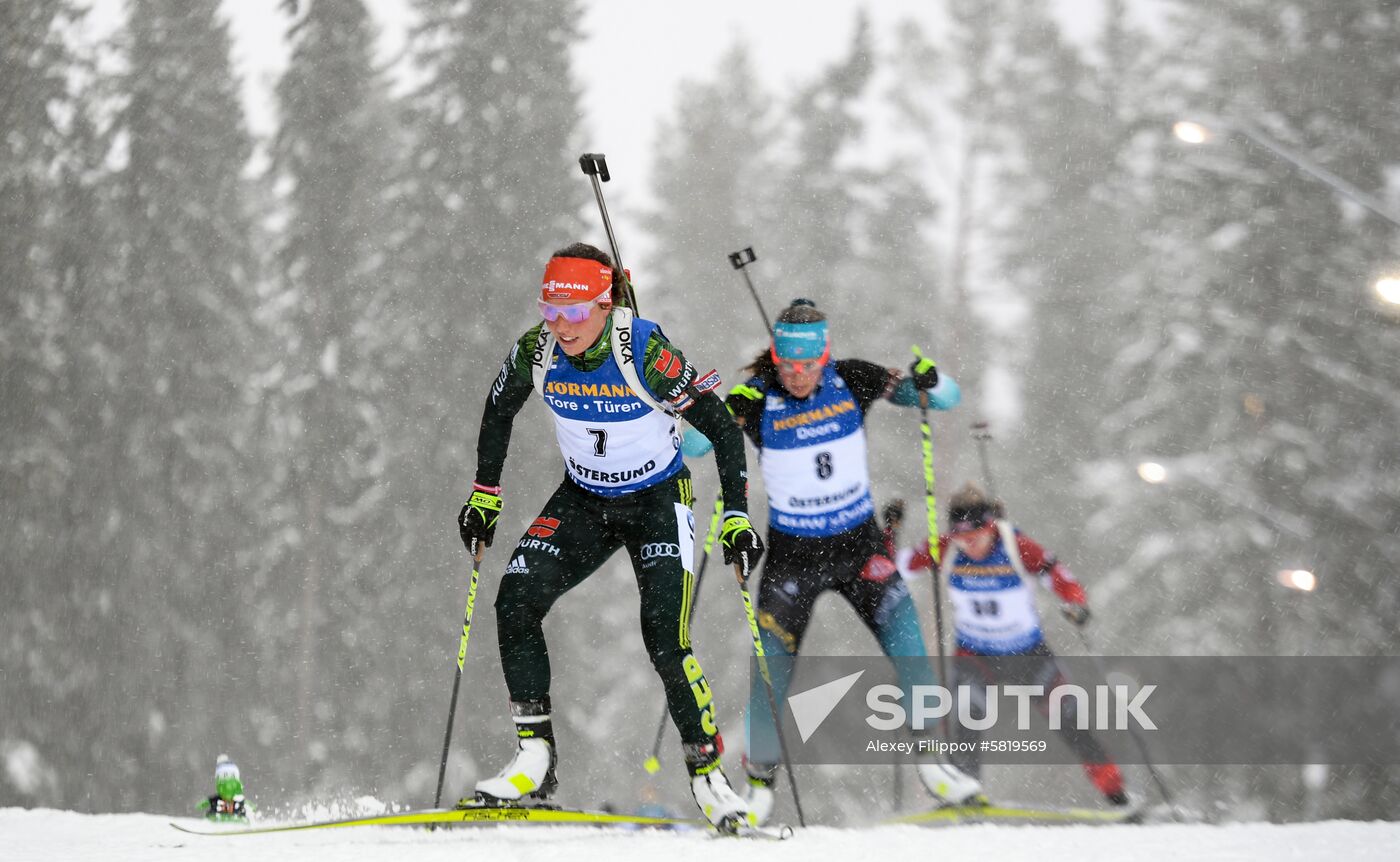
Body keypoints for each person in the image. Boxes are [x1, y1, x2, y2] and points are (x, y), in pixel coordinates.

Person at [455, 243, 764, 833]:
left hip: (657, 501)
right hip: (584, 500)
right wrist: (484, 493)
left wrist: (736, 516)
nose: (561, 327)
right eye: (551, 311)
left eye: (574, 314)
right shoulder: (535, 349)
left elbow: (721, 429)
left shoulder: (642, 350)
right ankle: (534, 758)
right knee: (515, 599)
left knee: (663, 638)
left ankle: (708, 776)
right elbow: (498, 412)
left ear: (604, 304)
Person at [683, 299, 983, 825]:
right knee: (770, 677)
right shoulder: (755, 398)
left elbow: (944, 397)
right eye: (787, 364)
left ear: (824, 357)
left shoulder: (854, 378)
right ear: (775, 357)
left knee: (911, 648)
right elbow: (691, 446)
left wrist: (930, 379)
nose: (797, 375)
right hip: (792, 560)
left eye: (808, 364)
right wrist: (716, 404)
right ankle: (758, 787)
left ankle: (934, 763)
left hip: (860, 549)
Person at [899, 481, 1133, 809]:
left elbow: (1059, 576)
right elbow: (899, 565)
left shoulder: (1015, 545)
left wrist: (1076, 603)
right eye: (961, 539)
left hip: (1028, 654)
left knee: (1069, 720)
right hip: (975, 654)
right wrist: (890, 536)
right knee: (967, 718)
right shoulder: (945, 547)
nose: (969, 546)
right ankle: (965, 795)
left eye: (975, 538)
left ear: (990, 526)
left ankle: (1117, 795)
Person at [197, 754, 248, 821]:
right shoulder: (214, 799)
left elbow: (249, 806)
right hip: (216, 819)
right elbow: (200, 805)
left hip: (237, 819)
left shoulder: (239, 800)